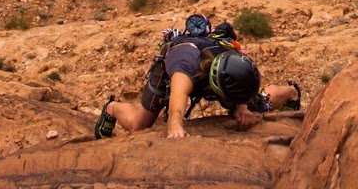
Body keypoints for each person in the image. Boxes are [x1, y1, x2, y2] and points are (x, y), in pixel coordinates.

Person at [95, 14, 300, 141]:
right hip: (171, 67)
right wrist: (175, 125)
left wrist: (243, 106)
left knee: (260, 106)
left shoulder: (235, 59)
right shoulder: (184, 64)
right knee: (138, 126)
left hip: (222, 73)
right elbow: (177, 100)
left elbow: (250, 81)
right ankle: (112, 108)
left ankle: (291, 93)